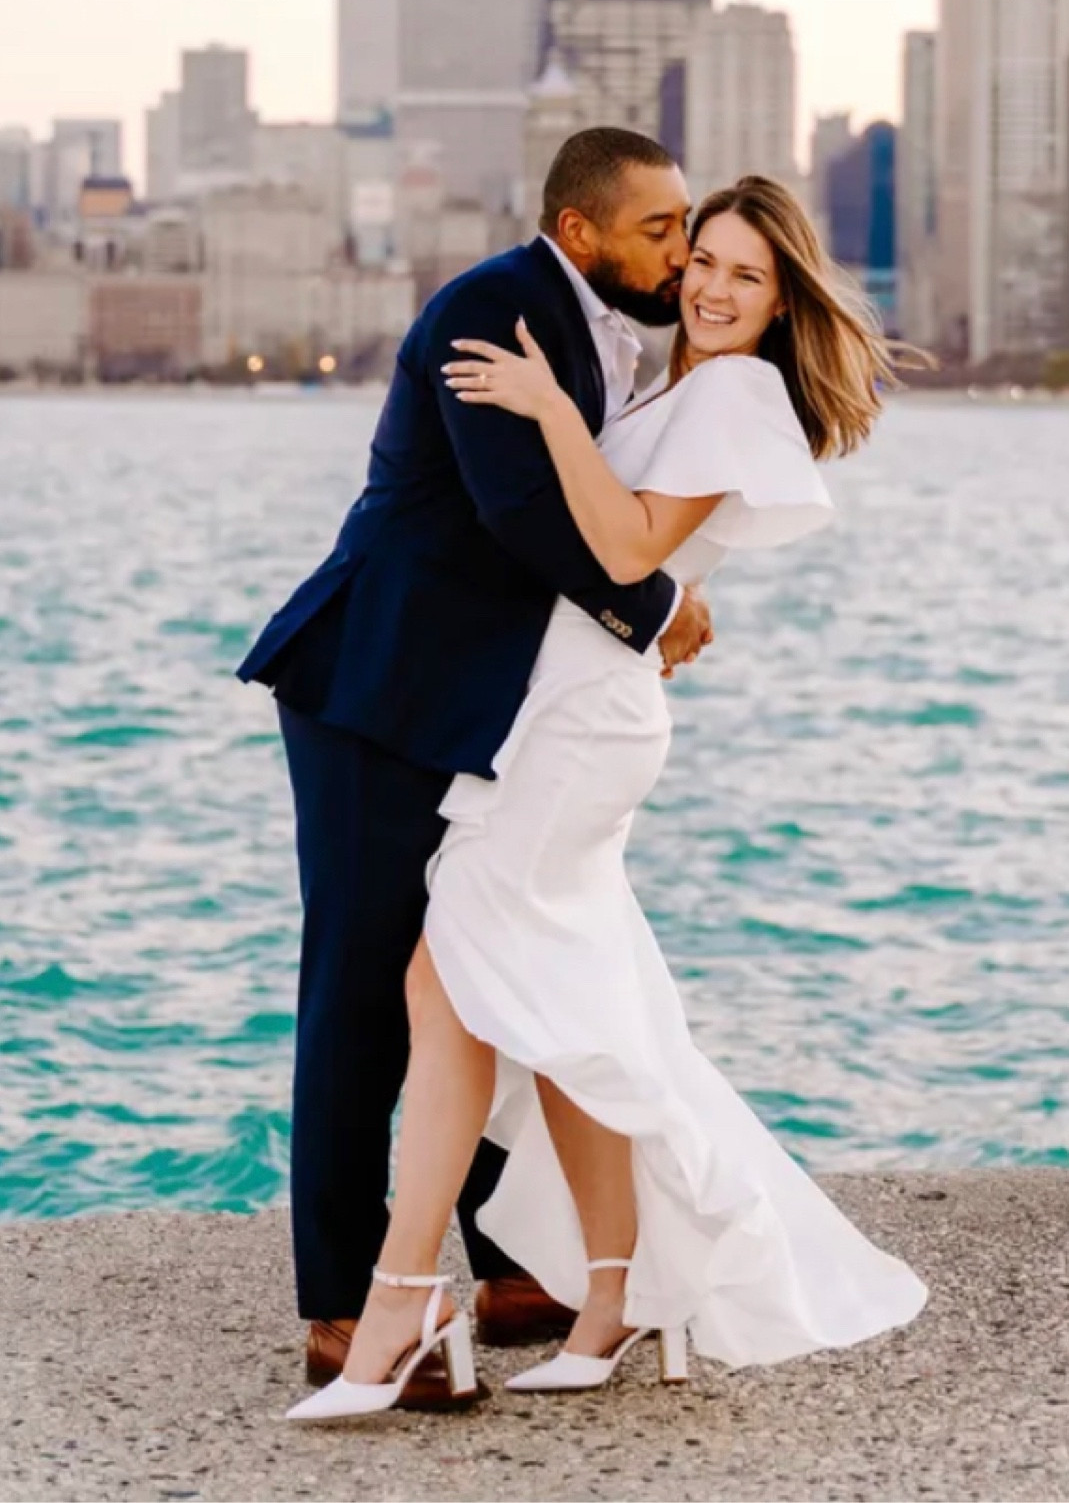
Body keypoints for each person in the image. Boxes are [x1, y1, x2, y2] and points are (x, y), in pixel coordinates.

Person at [288, 174, 928, 1423]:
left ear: (781, 296)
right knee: (565, 1001)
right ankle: (608, 1293)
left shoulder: (734, 389)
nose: (709, 282)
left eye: (745, 273)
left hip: (582, 728)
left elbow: (627, 546)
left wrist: (543, 411)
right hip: (558, 714)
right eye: (701, 257)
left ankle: (399, 1304)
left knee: (449, 982)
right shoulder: (670, 376)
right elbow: (598, 546)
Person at [238, 127, 715, 1390]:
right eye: (659, 228)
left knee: (491, 960)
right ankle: (342, 1306)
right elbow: (516, 511)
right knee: (358, 993)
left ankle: (509, 1269)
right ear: (580, 232)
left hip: (487, 712)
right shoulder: (490, 309)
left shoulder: (620, 329)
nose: (681, 248)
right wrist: (654, 609)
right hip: (373, 692)